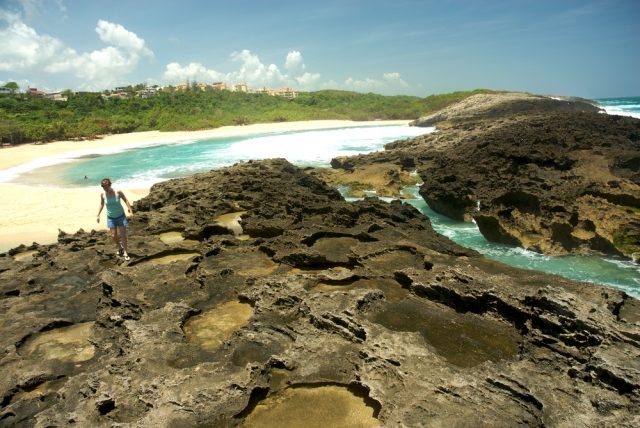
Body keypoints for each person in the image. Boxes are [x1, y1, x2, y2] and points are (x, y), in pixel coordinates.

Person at [97, 178, 133, 261]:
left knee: (123, 235)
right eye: (103, 187)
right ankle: (120, 247)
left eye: (106, 186)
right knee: (113, 236)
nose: (105, 189)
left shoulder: (118, 192)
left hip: (121, 216)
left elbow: (126, 200)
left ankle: (125, 252)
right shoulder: (103, 194)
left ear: (110, 185)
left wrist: (130, 211)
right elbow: (102, 204)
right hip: (111, 217)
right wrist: (98, 215)